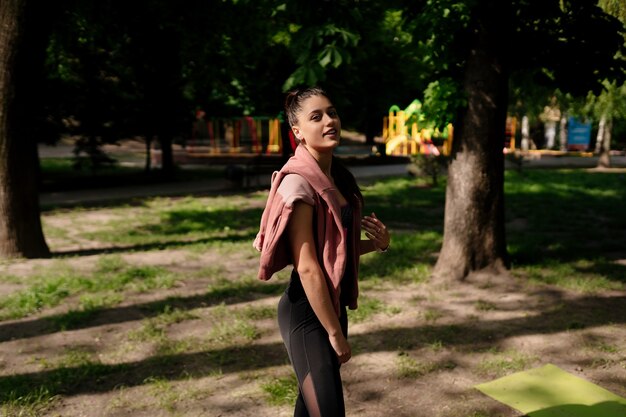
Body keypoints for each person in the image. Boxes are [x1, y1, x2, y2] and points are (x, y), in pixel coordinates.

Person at [253, 87, 391, 417]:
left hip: (331, 305)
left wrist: (378, 244)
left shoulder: (336, 177)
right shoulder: (298, 184)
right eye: (317, 117)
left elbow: (335, 250)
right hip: (307, 315)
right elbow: (309, 267)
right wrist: (333, 332)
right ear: (297, 131)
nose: (329, 121)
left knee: (311, 408)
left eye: (332, 113)